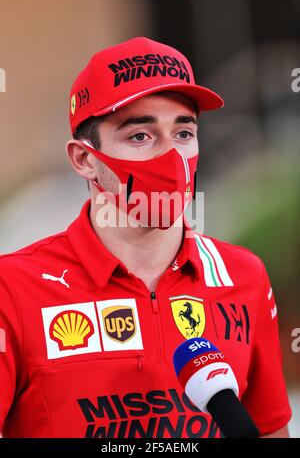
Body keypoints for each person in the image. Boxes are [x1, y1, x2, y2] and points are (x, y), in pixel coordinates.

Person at [0, 37, 291, 438]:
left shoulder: (244, 276)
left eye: (184, 132)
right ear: (85, 159)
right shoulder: (13, 288)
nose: (171, 158)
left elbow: (272, 428)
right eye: (140, 136)